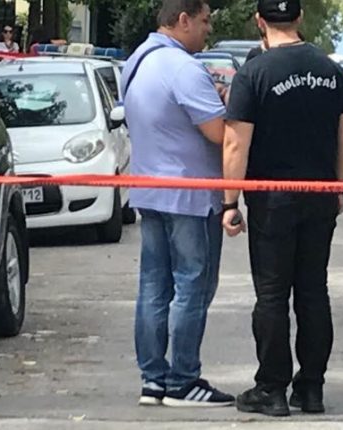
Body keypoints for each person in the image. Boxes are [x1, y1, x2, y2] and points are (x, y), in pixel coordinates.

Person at [221, 0, 343, 417]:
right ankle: (311, 387)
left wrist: (230, 202)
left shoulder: (253, 74)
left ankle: (272, 388)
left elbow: (235, 143)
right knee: (314, 290)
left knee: (272, 295)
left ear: (259, 21)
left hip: (271, 200)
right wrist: (337, 183)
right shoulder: (331, 71)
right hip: (319, 195)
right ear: (299, 18)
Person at [120, 0, 234, 409]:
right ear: (182, 20)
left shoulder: (137, 62)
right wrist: (227, 103)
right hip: (190, 196)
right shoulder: (184, 68)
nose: (208, 30)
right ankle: (183, 380)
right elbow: (221, 133)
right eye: (204, 21)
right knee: (193, 286)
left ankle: (153, 380)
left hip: (149, 190)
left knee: (154, 287)